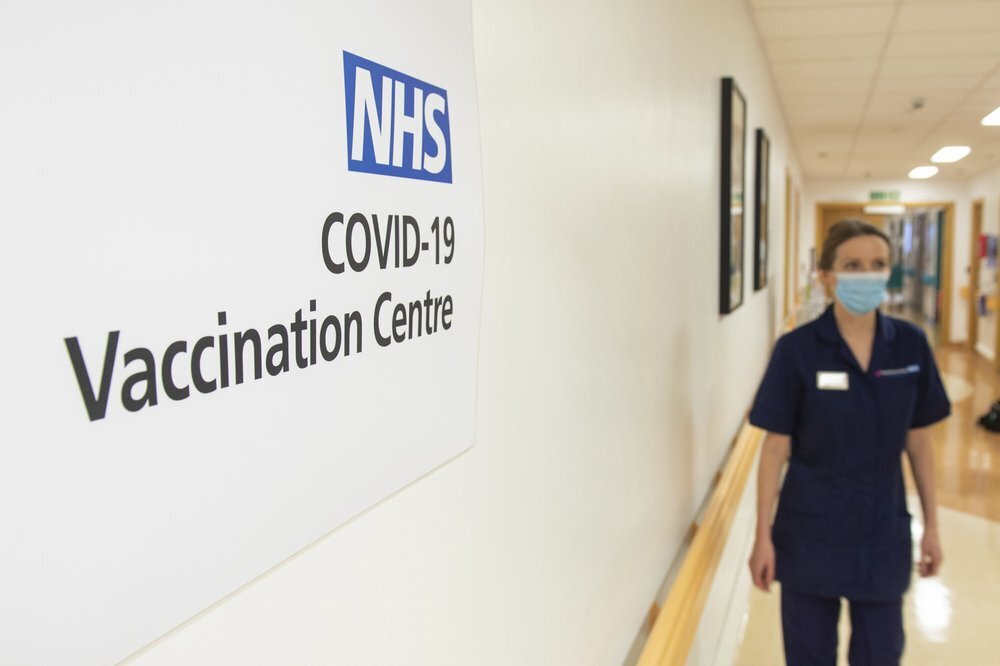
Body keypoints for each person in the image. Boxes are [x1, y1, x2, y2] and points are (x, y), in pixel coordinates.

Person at [747, 219, 950, 666]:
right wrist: (762, 534)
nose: (866, 274)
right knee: (808, 657)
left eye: (877, 264)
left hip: (882, 531)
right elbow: (774, 448)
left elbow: (919, 443)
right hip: (808, 535)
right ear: (826, 275)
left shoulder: (910, 348)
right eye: (852, 264)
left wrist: (932, 524)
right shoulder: (796, 350)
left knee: (880, 654)